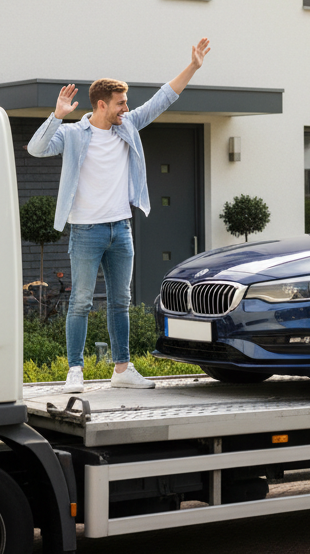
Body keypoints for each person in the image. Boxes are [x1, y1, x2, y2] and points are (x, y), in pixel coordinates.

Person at [28, 39, 211, 393]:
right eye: (121, 103)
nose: (127, 108)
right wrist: (57, 115)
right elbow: (36, 148)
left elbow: (163, 98)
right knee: (80, 302)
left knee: (120, 302)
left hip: (121, 230)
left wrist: (193, 67)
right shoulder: (73, 134)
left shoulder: (126, 126)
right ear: (102, 104)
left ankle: (122, 369)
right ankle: (75, 371)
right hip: (85, 231)